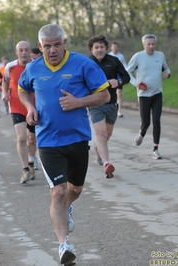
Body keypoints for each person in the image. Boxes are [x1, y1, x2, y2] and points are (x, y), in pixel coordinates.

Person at [18, 24, 110, 265]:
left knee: (75, 190)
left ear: (65, 42)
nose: (52, 50)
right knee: (57, 192)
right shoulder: (33, 68)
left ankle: (67, 207)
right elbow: (22, 90)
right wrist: (30, 108)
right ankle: (64, 245)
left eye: (57, 44)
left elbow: (105, 95)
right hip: (48, 141)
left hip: (78, 139)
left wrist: (79, 102)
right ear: (40, 47)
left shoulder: (83, 64)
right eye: (47, 46)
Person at [88, 35, 130, 178]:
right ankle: (106, 164)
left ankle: (98, 149)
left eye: (102, 47)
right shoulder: (86, 63)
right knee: (101, 134)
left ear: (106, 48)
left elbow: (126, 77)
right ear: (91, 49)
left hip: (111, 103)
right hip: (95, 104)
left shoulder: (114, 60)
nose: (99, 50)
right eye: (96, 47)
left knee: (108, 134)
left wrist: (118, 81)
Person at [126, 34, 171, 160]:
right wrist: (137, 83)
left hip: (157, 93)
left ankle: (155, 149)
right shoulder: (138, 57)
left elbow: (166, 68)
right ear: (143, 45)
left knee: (157, 120)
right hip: (144, 95)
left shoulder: (160, 55)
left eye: (153, 44)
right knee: (146, 123)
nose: (151, 46)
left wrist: (168, 73)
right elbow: (127, 72)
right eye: (148, 44)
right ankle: (142, 132)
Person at [2, 41, 38, 184]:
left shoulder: (36, 66)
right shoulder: (10, 67)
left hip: (33, 107)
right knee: (21, 138)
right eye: (21, 50)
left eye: (26, 50)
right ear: (16, 52)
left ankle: (31, 162)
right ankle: (25, 169)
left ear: (30, 51)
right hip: (16, 106)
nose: (24, 53)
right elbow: (5, 81)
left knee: (32, 139)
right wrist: (5, 92)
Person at [109, 42, 128, 117]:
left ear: (118, 48)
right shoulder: (109, 56)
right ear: (111, 48)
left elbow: (124, 65)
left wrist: (127, 72)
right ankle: (111, 109)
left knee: (119, 93)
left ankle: (119, 110)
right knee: (111, 93)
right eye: (113, 47)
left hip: (118, 76)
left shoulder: (121, 56)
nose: (115, 48)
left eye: (116, 47)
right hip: (110, 76)